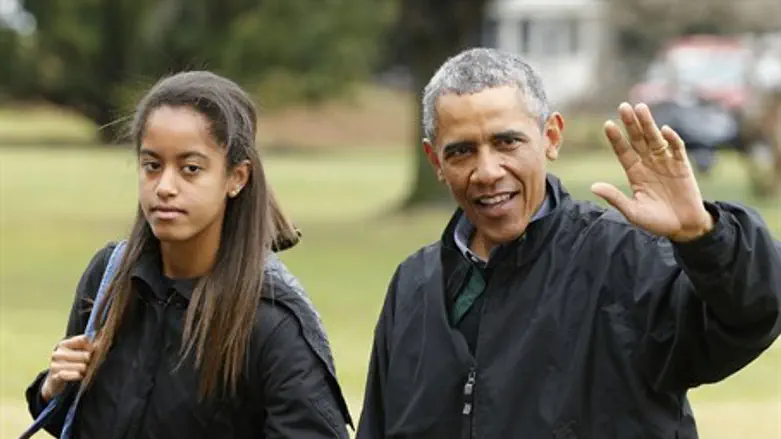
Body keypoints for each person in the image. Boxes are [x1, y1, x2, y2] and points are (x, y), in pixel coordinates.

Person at [355, 48, 781, 439]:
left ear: (551, 137)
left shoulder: (627, 259)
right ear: (436, 162)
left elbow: (755, 311)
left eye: (507, 142)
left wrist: (705, 237)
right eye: (462, 151)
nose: (487, 171)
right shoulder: (414, 285)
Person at [24, 71, 353, 438]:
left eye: (190, 169)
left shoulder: (272, 320)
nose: (165, 187)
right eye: (152, 166)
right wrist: (52, 389)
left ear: (236, 178)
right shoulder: (109, 277)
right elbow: (76, 422)